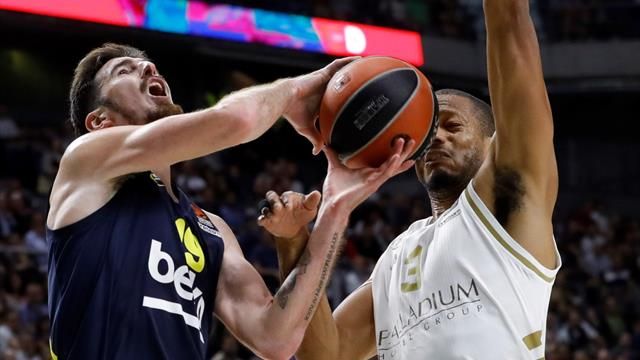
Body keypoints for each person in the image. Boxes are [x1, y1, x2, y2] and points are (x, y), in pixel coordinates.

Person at [45, 43, 415, 359]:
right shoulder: (86, 163)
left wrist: (336, 207)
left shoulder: (212, 229)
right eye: (125, 71)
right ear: (99, 121)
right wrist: (296, 91)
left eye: (149, 65)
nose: (147, 67)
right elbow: (237, 121)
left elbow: (276, 338)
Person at [261, 0, 561, 358]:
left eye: (452, 126)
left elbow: (510, 28)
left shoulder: (508, 203)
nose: (435, 137)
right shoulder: (397, 256)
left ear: (492, 144)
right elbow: (328, 353)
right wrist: (293, 241)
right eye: (428, 131)